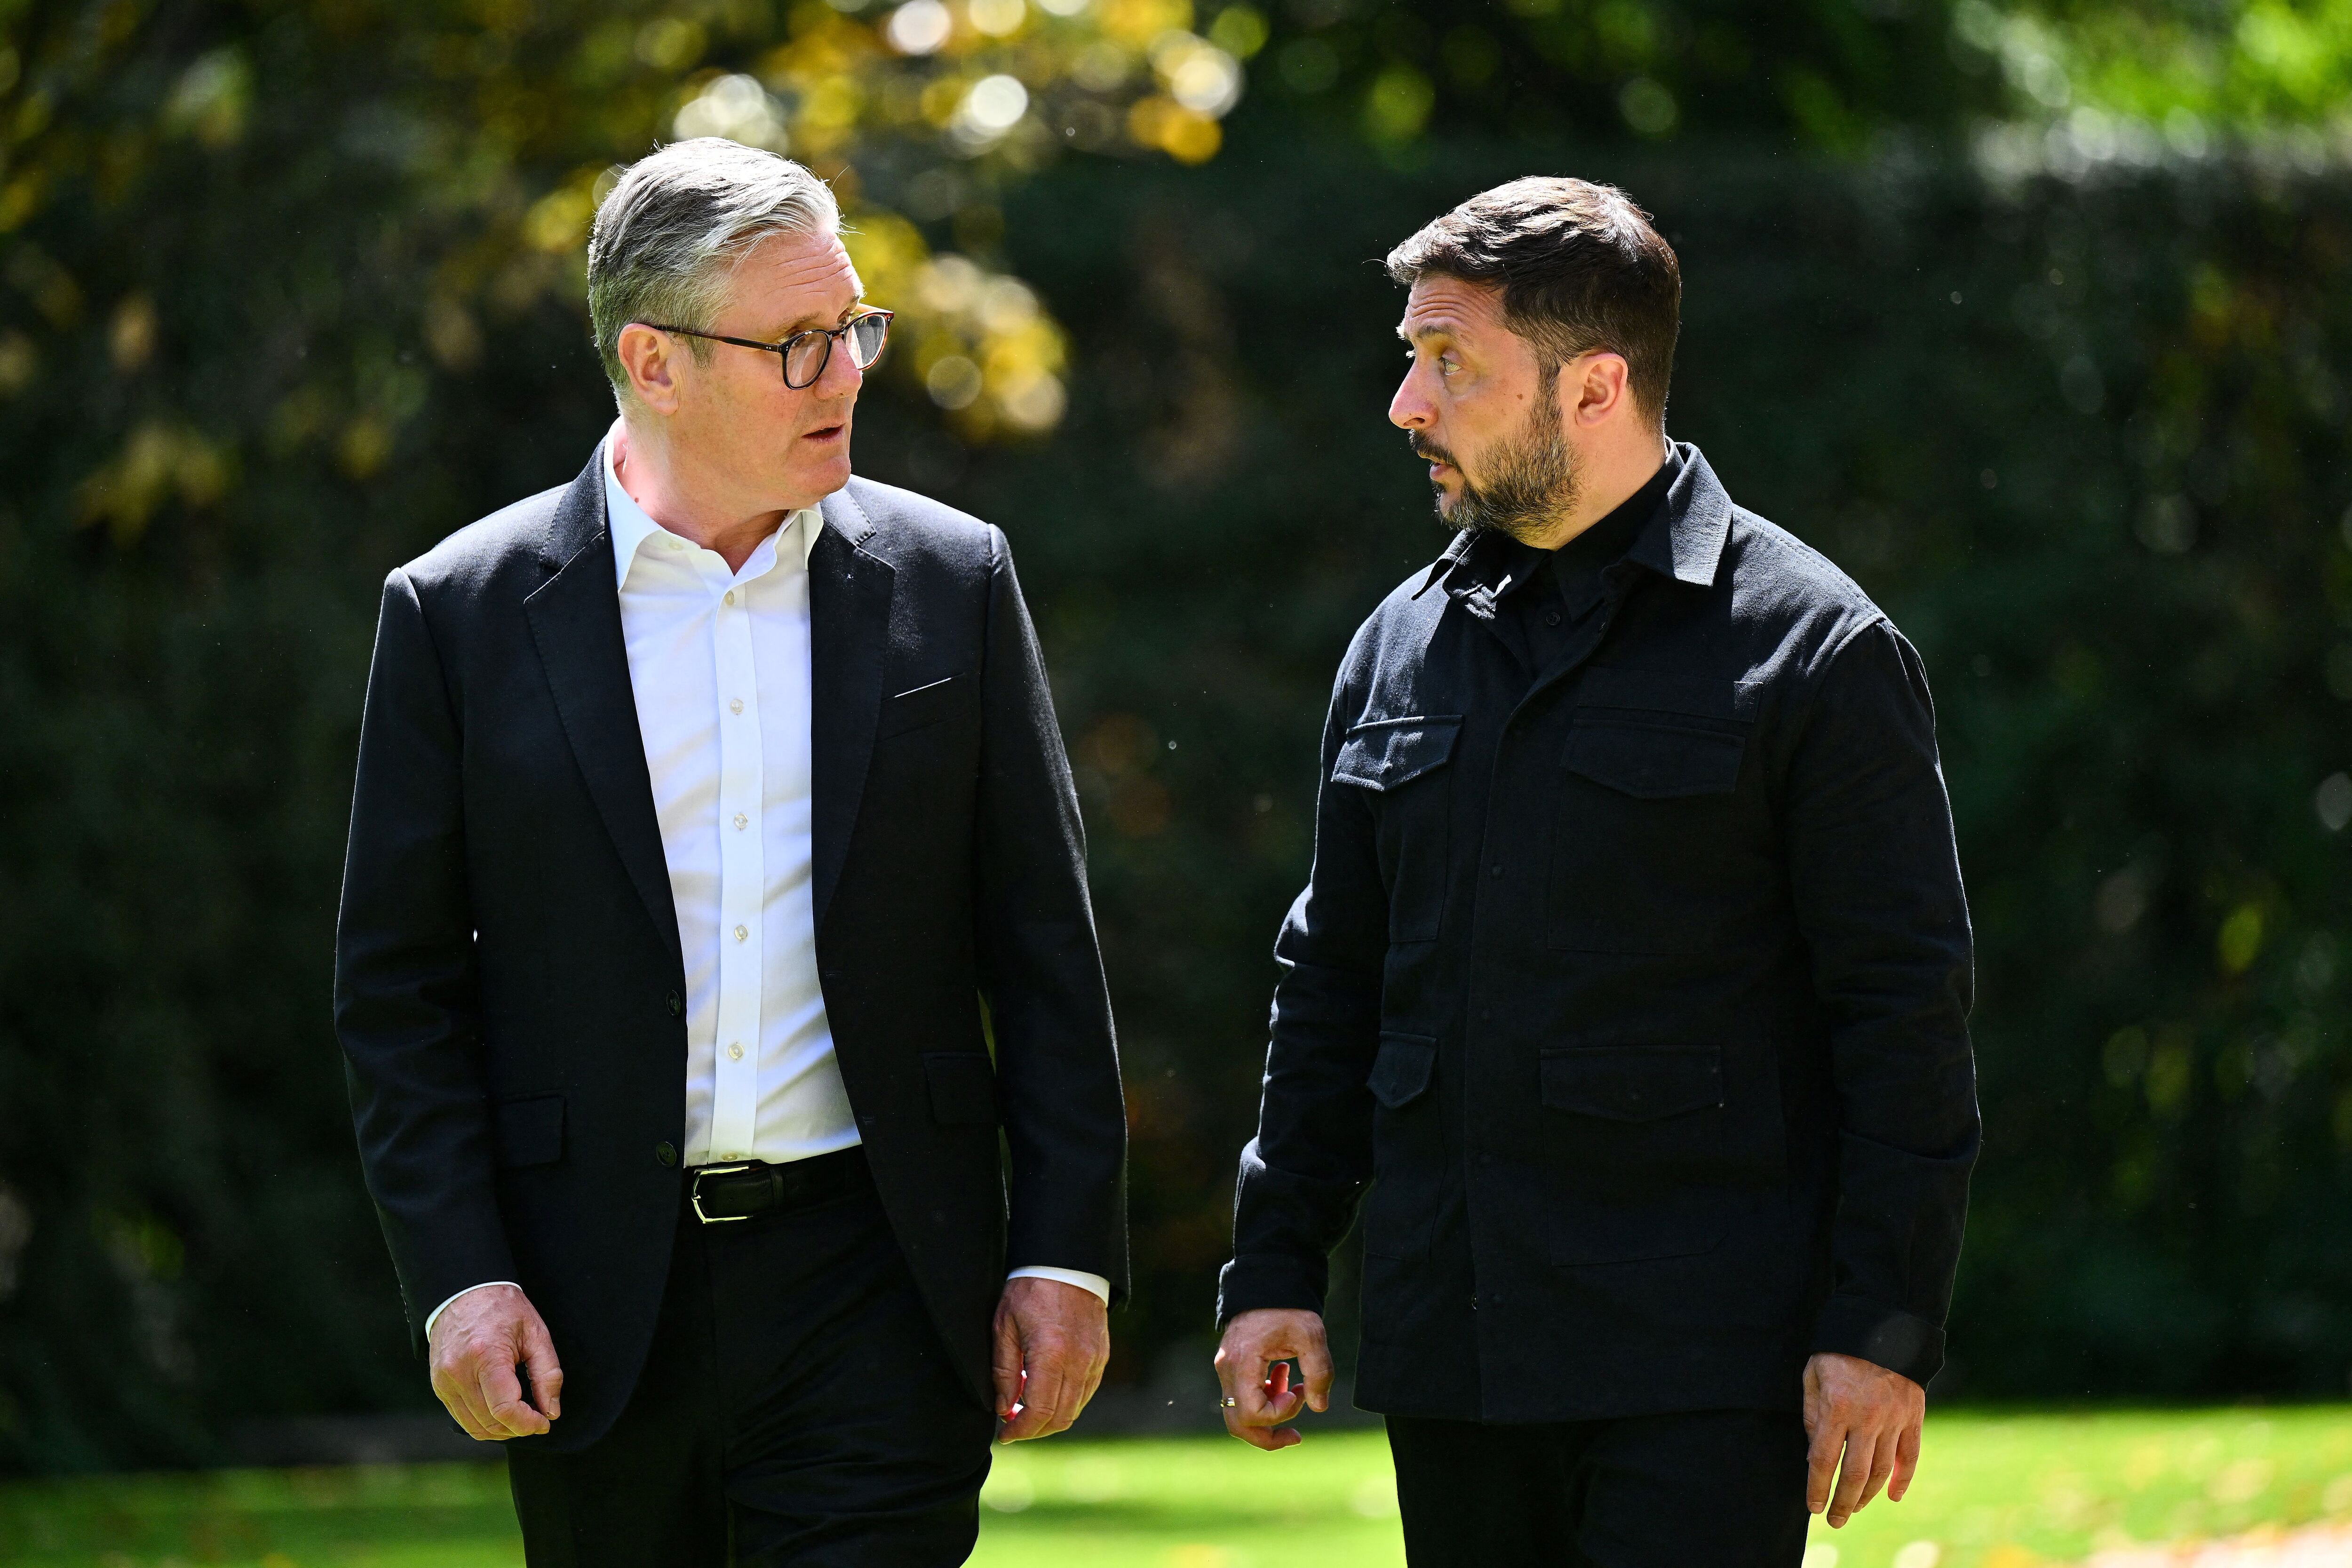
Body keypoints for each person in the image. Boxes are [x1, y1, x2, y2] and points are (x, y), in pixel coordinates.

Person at [333, 139, 1127, 1567]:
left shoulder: (953, 580)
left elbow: (1046, 947)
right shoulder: (458, 612)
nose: (848, 376)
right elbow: (397, 996)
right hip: (590, 1306)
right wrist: (460, 1280)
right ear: (655, 360)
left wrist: (1062, 1254)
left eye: (854, 331)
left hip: (883, 1280)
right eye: (799, 345)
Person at [1211, 176, 1979, 1566]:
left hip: (1699, 1369)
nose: (1408, 405)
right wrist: (1274, 1268)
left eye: (1452, 363)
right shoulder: (1398, 646)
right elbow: (1329, 979)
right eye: (1412, 359)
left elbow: (1905, 1016)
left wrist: (1880, 1328)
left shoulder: (1815, 653)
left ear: (1596, 385)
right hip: (1454, 1363)